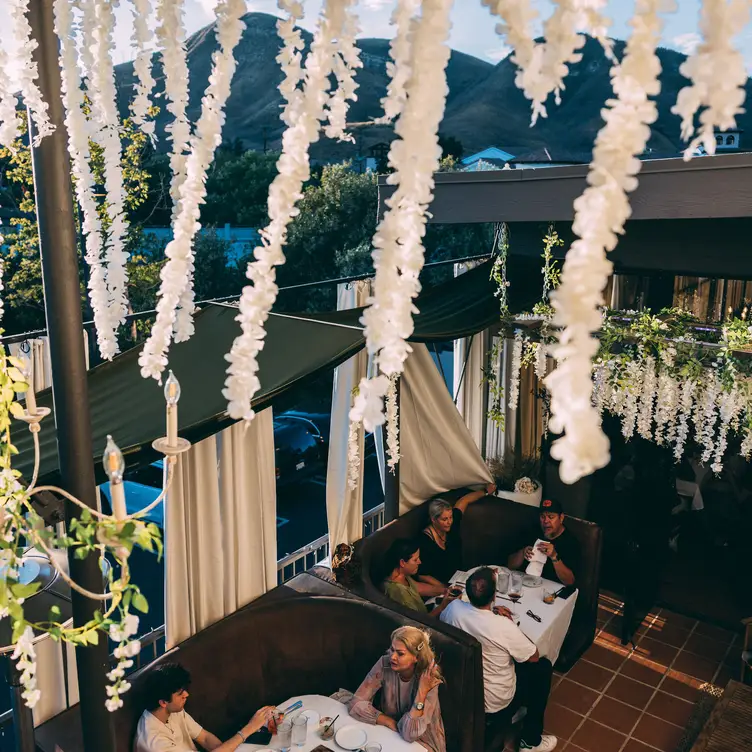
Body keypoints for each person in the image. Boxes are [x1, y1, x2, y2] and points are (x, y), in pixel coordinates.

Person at [440, 568, 557, 752]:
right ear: (494, 595)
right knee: (542, 667)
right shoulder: (503, 626)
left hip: (461, 686)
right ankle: (530, 740)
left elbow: (470, 618)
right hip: (495, 700)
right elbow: (533, 655)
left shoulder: (453, 609)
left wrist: (492, 614)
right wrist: (508, 623)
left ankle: (518, 711)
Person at [134, 662, 276, 752]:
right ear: (163, 702)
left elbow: (205, 738)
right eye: (180, 694)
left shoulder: (173, 710)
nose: (187, 695)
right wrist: (248, 730)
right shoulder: (155, 743)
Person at [349, 626, 446, 752]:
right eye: (392, 649)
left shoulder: (429, 679)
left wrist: (422, 690)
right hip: (391, 730)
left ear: (416, 657)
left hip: (420, 740)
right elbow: (355, 703)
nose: (392, 657)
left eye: (400, 653)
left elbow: (410, 734)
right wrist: (387, 721)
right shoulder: (385, 663)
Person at [417, 484, 497, 589]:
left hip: (460, 580)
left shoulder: (451, 525)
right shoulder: (424, 541)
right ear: (433, 519)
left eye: (450, 517)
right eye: (444, 519)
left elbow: (464, 501)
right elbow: (422, 575)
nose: (449, 522)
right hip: (441, 587)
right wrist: (445, 589)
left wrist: (485, 491)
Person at [508, 499, 578, 586]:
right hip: (524, 584)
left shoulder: (570, 542)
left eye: (551, 517)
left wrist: (554, 557)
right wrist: (522, 553)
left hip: (551, 591)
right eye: (542, 516)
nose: (546, 521)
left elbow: (570, 581)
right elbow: (510, 565)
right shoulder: (532, 531)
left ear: (561, 518)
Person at [382, 538, 457, 617]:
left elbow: (420, 588)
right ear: (402, 562)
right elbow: (418, 623)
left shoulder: (401, 575)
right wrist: (442, 607)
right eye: (415, 560)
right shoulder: (397, 591)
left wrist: (447, 590)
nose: (419, 562)